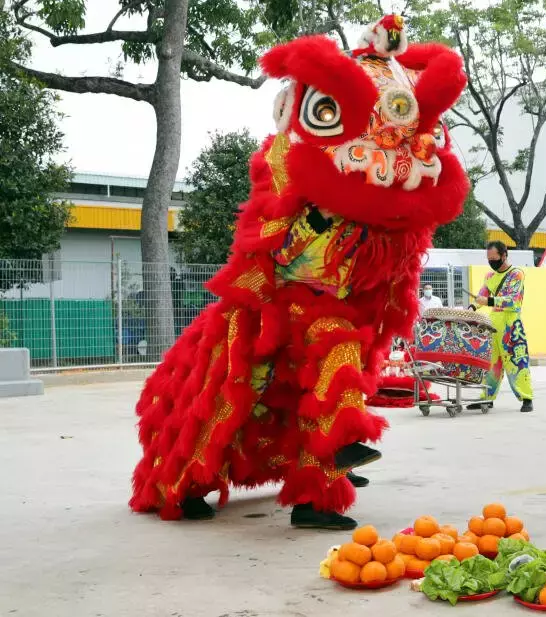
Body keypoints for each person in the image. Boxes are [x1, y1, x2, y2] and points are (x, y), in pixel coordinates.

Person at [127, 16, 470, 529]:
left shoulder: (392, 213)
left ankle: (321, 484)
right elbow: (268, 248)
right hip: (277, 306)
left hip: (331, 307)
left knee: (338, 359)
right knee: (231, 393)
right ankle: (182, 483)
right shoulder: (288, 168)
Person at [468, 241, 533, 413]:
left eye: (494, 258)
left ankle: (526, 398)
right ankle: (486, 398)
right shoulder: (490, 276)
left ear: (504, 255)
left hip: (511, 325)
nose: (491, 262)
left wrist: (489, 301)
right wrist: (471, 308)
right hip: (493, 324)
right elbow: (481, 296)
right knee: (490, 363)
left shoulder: (516, 274)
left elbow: (513, 300)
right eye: (489, 259)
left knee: (516, 362)